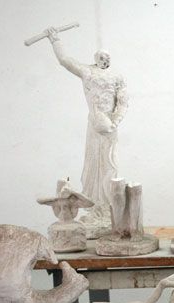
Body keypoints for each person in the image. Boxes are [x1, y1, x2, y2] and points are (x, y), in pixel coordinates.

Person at [44, 27, 128, 223]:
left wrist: (115, 121)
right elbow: (65, 61)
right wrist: (55, 39)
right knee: (92, 164)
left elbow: (123, 102)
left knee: (110, 164)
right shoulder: (87, 72)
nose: (104, 60)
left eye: (107, 57)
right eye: (101, 57)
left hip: (109, 126)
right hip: (94, 122)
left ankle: (108, 207)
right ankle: (95, 206)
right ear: (95, 59)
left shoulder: (117, 77)